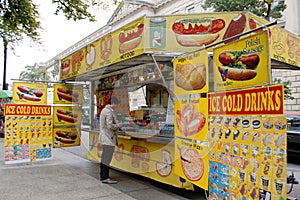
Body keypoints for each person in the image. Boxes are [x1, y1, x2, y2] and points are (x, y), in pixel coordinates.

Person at [99, 96, 121, 184]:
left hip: (105, 137)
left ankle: (103, 176)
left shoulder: (104, 110)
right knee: (107, 158)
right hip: (108, 138)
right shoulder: (109, 111)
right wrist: (118, 125)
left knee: (105, 157)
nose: (116, 106)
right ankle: (105, 177)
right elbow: (110, 125)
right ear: (113, 103)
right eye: (116, 104)